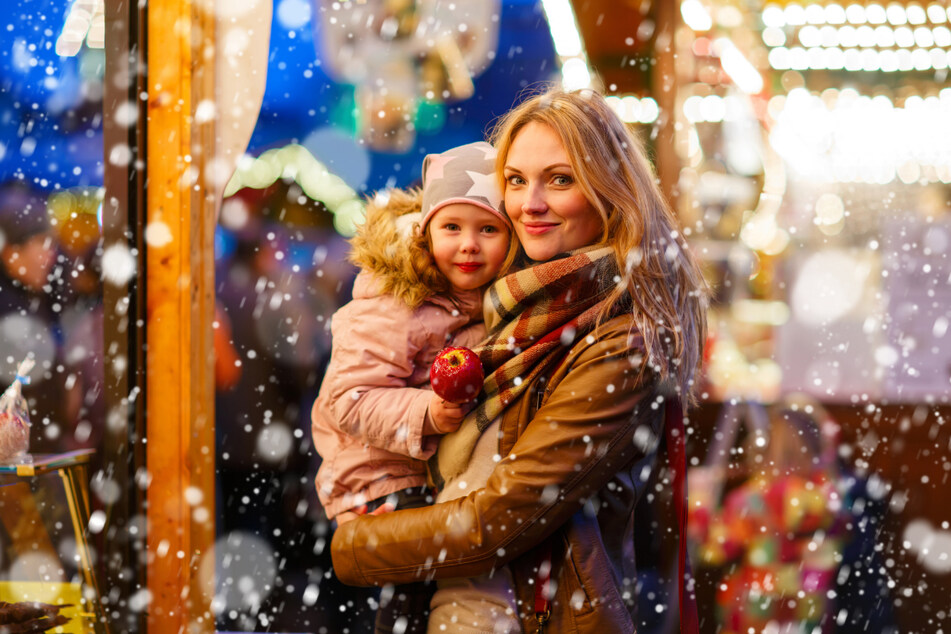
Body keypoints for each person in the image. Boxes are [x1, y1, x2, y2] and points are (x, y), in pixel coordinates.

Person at [330, 86, 708, 633]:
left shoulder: (622, 335)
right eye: (515, 180)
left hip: (541, 611)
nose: (529, 203)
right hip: (481, 602)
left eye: (559, 179)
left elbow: (499, 519)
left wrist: (351, 547)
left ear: (610, 191)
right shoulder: (519, 304)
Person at [311, 141, 515, 632]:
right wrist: (426, 412)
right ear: (425, 233)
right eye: (452, 227)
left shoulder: (471, 300)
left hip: (416, 473)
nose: (469, 244)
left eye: (488, 229)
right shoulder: (398, 300)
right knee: (402, 607)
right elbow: (348, 397)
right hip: (379, 481)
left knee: (428, 600)